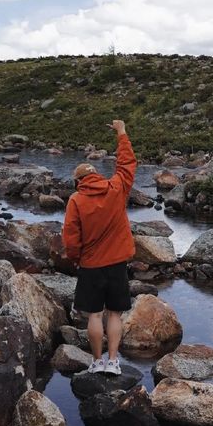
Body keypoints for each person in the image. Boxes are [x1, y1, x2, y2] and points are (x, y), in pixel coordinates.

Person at [63, 119, 137, 375]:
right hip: (117, 264)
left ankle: (96, 363)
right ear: (96, 175)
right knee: (115, 314)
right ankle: (114, 362)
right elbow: (127, 164)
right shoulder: (116, 188)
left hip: (91, 266)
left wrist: (75, 259)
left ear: (78, 181)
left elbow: (71, 238)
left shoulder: (76, 200)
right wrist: (122, 133)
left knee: (94, 316)